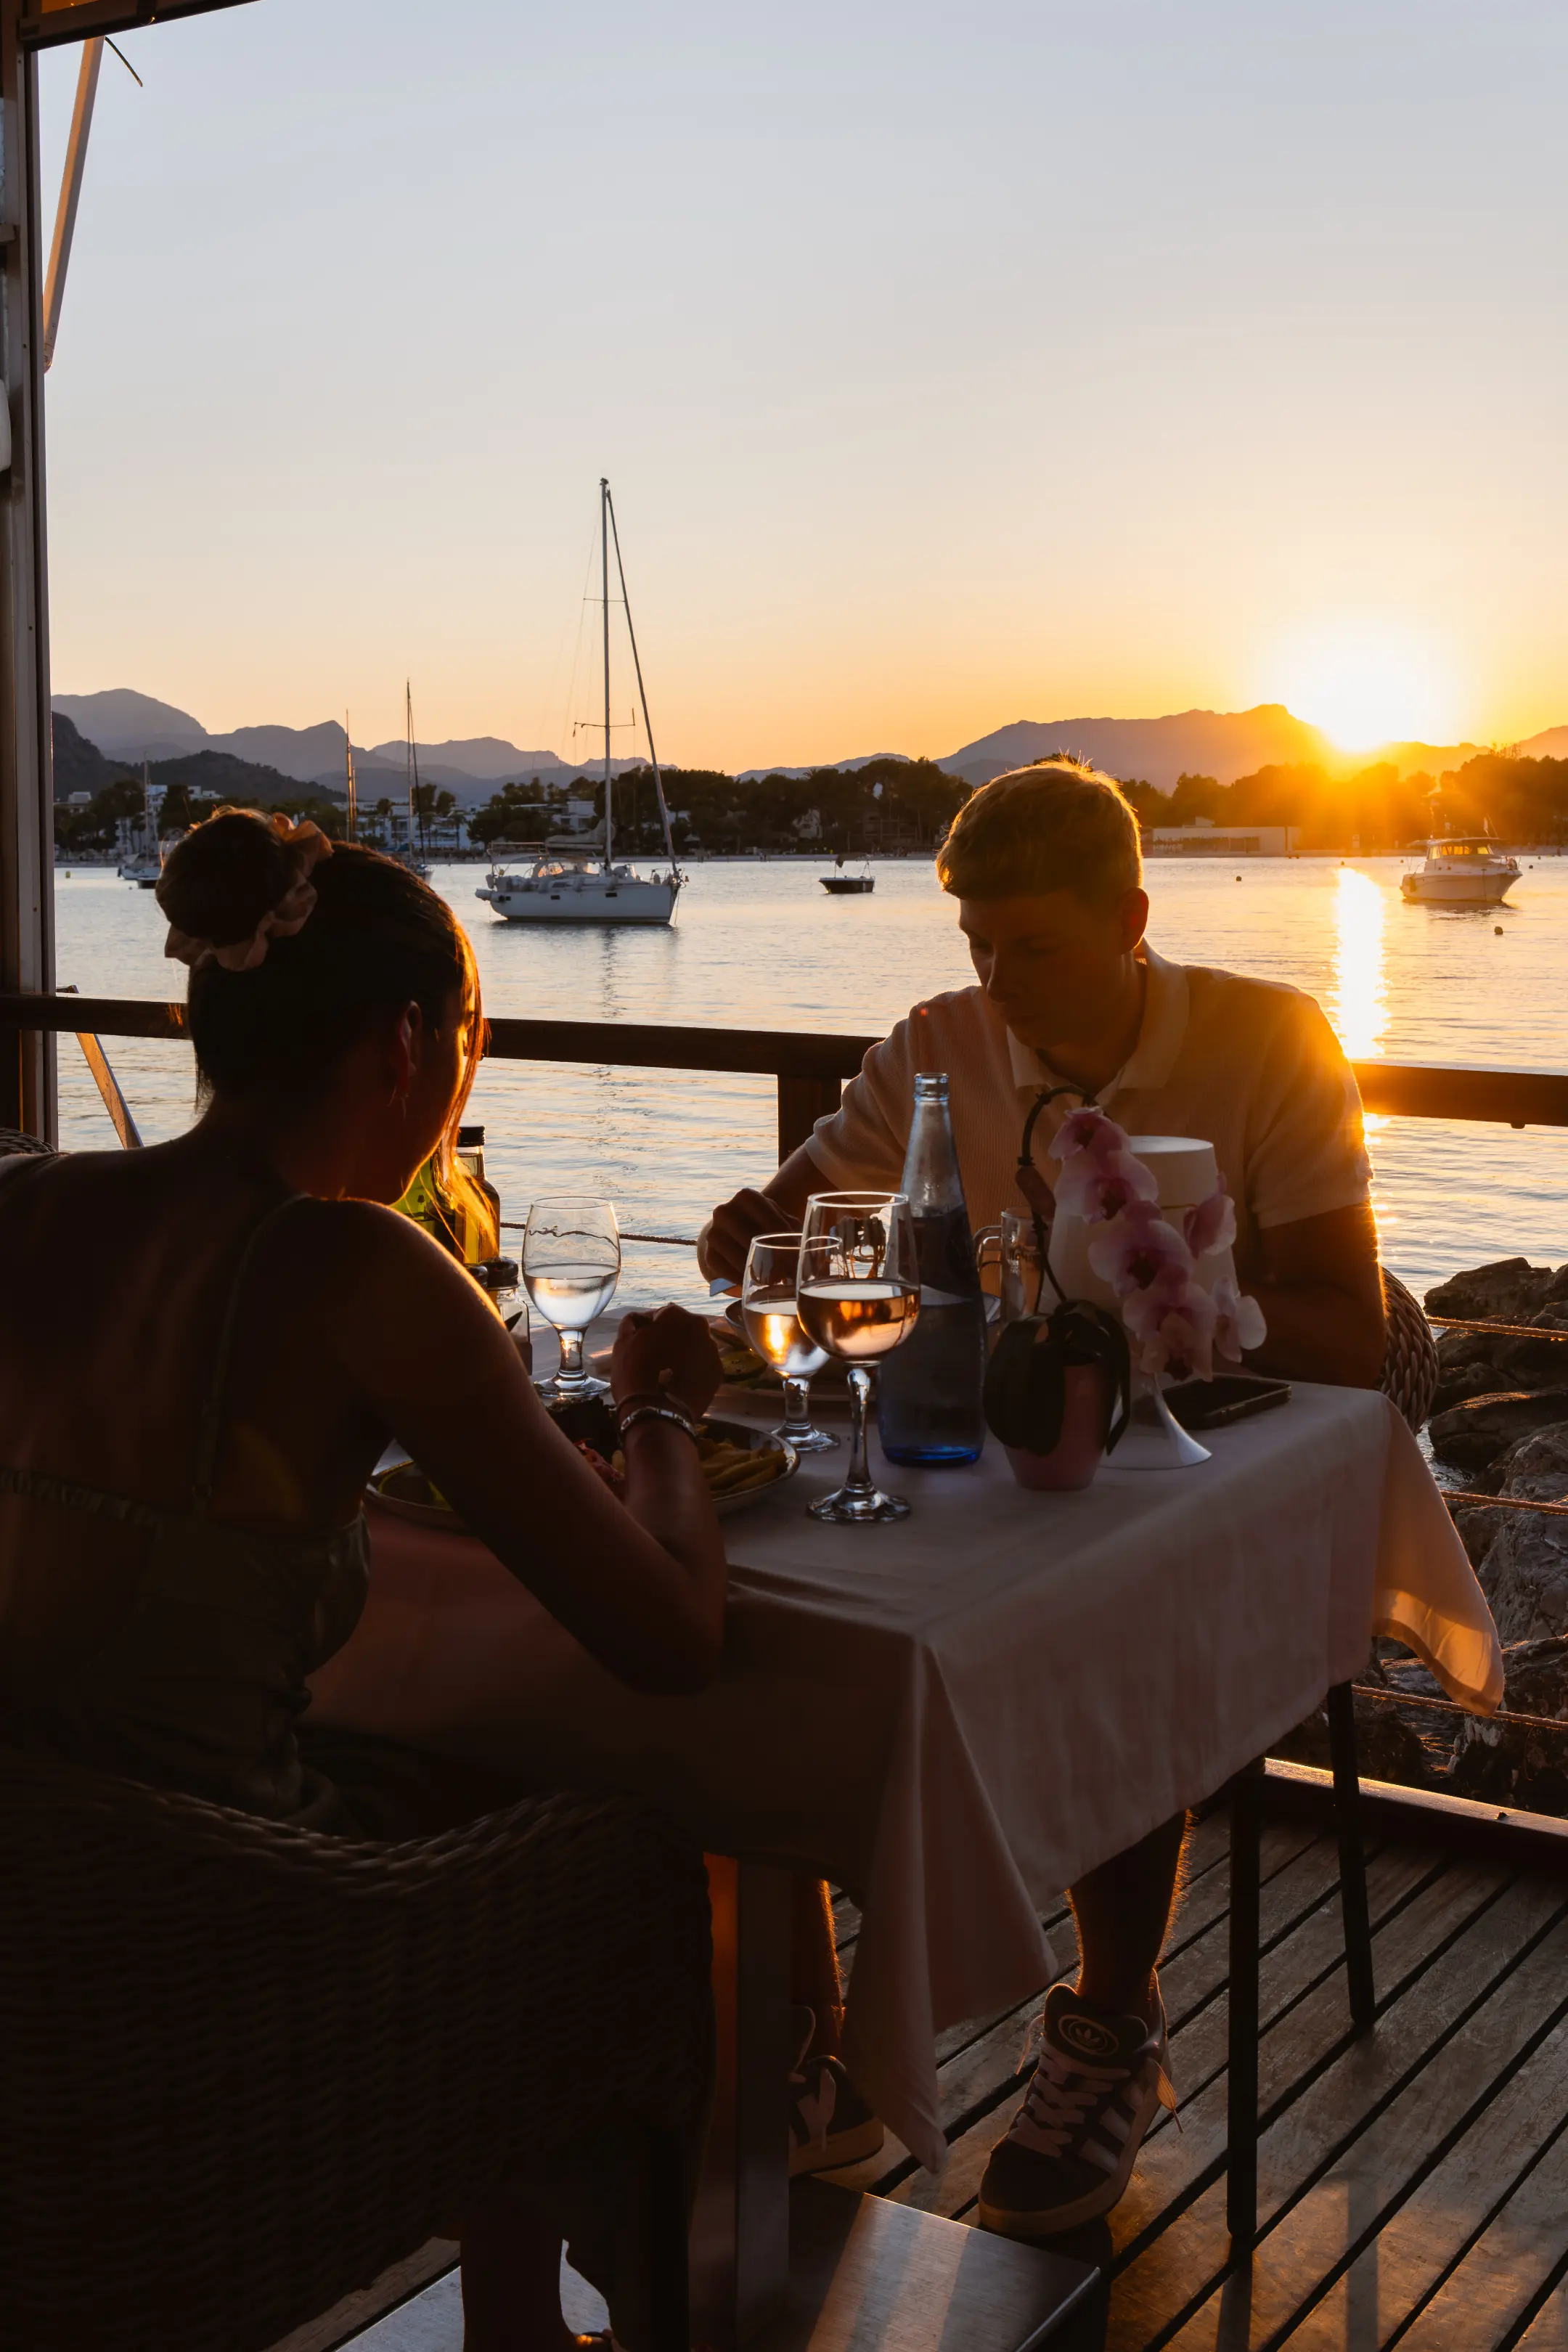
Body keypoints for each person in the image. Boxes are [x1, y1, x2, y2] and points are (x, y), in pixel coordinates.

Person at [0, 808, 728, 2352]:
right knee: (628, 1860)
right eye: (473, 1032)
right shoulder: (353, 1267)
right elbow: (669, 1634)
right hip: (204, 1948)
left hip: (41, 1912)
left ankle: (517, 2318)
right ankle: (600, 2304)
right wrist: (663, 1403)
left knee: (457, 1760)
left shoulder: (29, 1205)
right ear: (407, 1045)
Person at [701, 756, 1386, 2239]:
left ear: (1133, 917)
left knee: (1106, 1618)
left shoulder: (1271, 1041)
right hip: (975, 1449)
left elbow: (1347, 1320)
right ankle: (825, 2036)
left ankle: (1112, 2017)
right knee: (761, 1605)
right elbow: (785, 1222)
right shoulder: (943, 1042)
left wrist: (1174, 1292)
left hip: (1193, 1467)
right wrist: (754, 1233)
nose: (1000, 985)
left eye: (1035, 947)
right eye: (978, 948)